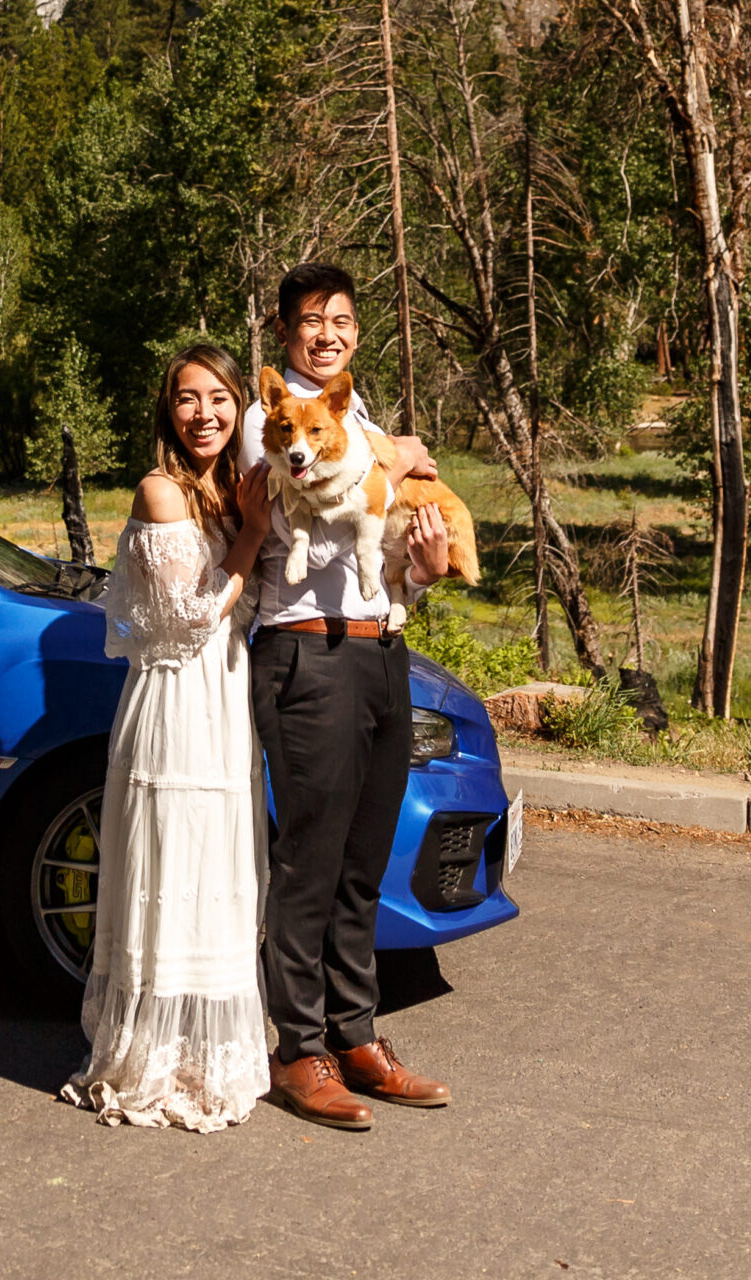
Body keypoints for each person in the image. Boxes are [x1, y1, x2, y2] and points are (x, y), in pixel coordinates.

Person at [241, 261, 453, 1130]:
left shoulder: (352, 416)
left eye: (341, 321)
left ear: (356, 334)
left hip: (379, 646)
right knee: (310, 858)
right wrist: (399, 455)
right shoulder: (274, 418)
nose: (327, 334)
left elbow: (380, 547)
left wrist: (426, 570)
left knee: (363, 858)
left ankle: (354, 1033)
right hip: (304, 650)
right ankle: (298, 1051)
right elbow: (321, 514)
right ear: (284, 332)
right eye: (309, 321)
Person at [63, 344, 274, 1131]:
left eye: (218, 397)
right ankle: (152, 1053)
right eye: (187, 399)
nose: (203, 414)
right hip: (177, 697)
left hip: (224, 698)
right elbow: (188, 617)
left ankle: (209, 1050)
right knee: (174, 858)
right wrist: (249, 537)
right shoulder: (161, 491)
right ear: (167, 411)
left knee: (217, 864)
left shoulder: (232, 485)